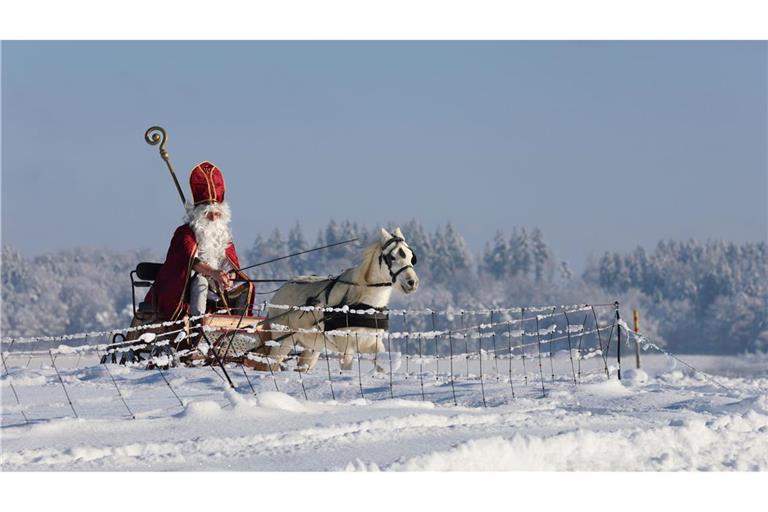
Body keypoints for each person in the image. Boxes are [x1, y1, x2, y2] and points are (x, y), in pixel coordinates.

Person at [144, 161, 254, 321]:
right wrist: (213, 273)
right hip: (186, 285)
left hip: (217, 283)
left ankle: (238, 327)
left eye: (217, 214)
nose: (213, 218)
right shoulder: (185, 233)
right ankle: (199, 327)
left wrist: (228, 276)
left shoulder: (223, 234)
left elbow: (230, 262)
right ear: (199, 214)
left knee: (246, 286)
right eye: (209, 214)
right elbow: (189, 262)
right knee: (200, 283)